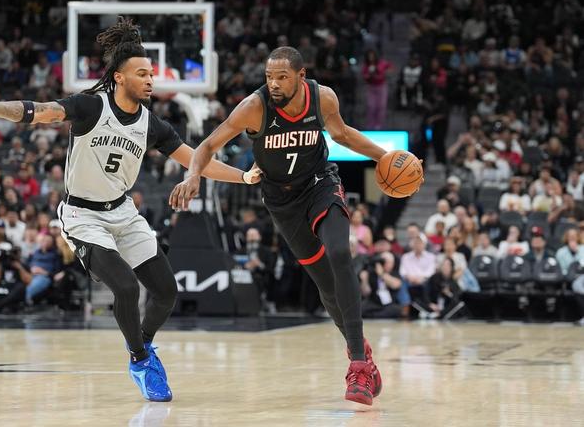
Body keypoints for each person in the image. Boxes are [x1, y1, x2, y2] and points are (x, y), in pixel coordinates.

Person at [0, 17, 261, 402]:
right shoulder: (89, 106)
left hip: (122, 212)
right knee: (125, 287)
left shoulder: (151, 124)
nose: (150, 80)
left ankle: (143, 343)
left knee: (166, 291)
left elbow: (196, 160)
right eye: (142, 73)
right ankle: (140, 362)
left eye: (151, 74)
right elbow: (40, 111)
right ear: (119, 77)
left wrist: (244, 177)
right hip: (83, 216)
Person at [168, 46, 412, 406]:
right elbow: (207, 146)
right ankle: (358, 348)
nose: (274, 83)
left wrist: (386, 157)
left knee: (340, 253)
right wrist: (193, 175)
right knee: (325, 285)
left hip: (320, 183)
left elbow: (343, 134)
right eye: (269, 77)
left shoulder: (323, 98)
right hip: (282, 202)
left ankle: (358, 366)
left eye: (282, 77)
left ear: (301, 76)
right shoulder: (254, 107)